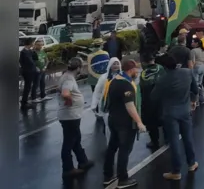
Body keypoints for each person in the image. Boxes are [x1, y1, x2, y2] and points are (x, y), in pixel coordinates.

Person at [151, 54, 200, 180]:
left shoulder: (162, 79)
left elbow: (153, 97)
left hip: (170, 114)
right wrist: (193, 101)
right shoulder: (187, 73)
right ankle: (192, 163)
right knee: (188, 138)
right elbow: (195, 89)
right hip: (185, 111)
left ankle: (176, 171)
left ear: (164, 67)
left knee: (174, 142)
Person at [102, 60, 146, 188]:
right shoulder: (126, 85)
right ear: (131, 70)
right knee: (124, 149)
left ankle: (108, 175)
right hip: (125, 123)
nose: (137, 72)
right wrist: (139, 122)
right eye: (136, 70)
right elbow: (130, 105)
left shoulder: (114, 80)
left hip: (113, 119)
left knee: (112, 147)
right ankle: (123, 179)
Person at [58, 57, 94, 178]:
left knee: (76, 139)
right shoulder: (68, 79)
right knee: (69, 142)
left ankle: (83, 161)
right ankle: (68, 169)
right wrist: (69, 101)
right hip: (70, 116)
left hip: (71, 116)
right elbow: (65, 93)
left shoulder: (67, 76)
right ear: (78, 68)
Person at [139, 53, 165, 149]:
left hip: (149, 101)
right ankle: (168, 137)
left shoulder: (144, 74)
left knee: (151, 124)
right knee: (164, 120)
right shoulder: (161, 69)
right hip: (162, 99)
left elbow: (141, 89)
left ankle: (155, 141)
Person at [19, 37, 38, 110]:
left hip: (32, 71)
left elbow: (35, 59)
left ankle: (25, 101)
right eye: (32, 43)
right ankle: (24, 103)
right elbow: (27, 62)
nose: (33, 44)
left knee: (29, 87)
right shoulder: (23, 52)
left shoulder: (30, 51)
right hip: (27, 72)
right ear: (29, 43)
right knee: (27, 87)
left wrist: (34, 51)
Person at [31, 38, 52, 103]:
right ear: (35, 45)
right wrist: (36, 67)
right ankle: (33, 98)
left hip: (43, 70)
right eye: (38, 45)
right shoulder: (33, 52)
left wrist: (45, 67)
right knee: (36, 84)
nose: (40, 46)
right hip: (36, 71)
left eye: (41, 45)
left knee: (42, 83)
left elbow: (47, 60)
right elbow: (31, 62)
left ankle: (43, 96)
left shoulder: (42, 51)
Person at [190, 39, 204, 105]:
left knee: (195, 85)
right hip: (202, 66)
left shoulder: (193, 51)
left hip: (196, 67)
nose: (192, 43)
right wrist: (203, 64)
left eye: (193, 42)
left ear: (197, 43)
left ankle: (196, 101)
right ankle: (202, 100)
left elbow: (193, 61)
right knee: (200, 84)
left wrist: (192, 69)